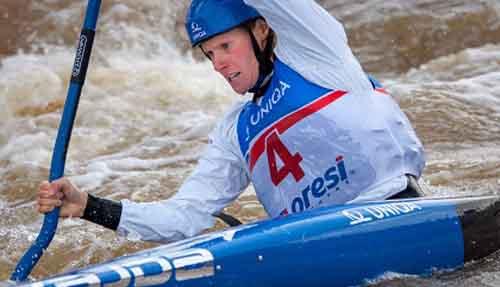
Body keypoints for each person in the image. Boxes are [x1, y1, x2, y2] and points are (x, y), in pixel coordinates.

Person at [37, 0, 425, 243]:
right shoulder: (235, 131)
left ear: (261, 31)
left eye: (226, 45)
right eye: (209, 53)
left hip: (393, 213)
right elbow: (183, 216)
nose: (219, 62)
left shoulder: (318, 56)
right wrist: (88, 205)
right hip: (315, 245)